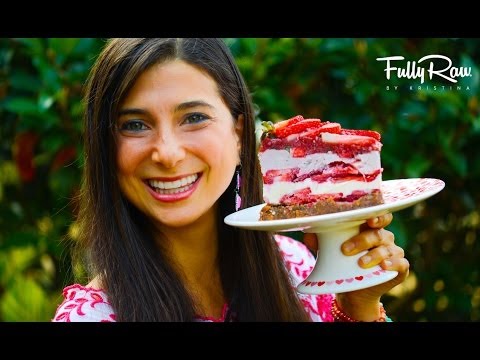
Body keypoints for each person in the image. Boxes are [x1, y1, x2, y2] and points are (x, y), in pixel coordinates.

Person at [52, 38, 409, 322]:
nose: (168, 153)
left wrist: (359, 304)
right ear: (105, 148)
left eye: (193, 117)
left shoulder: (295, 267)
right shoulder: (92, 317)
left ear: (239, 135)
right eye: (135, 125)